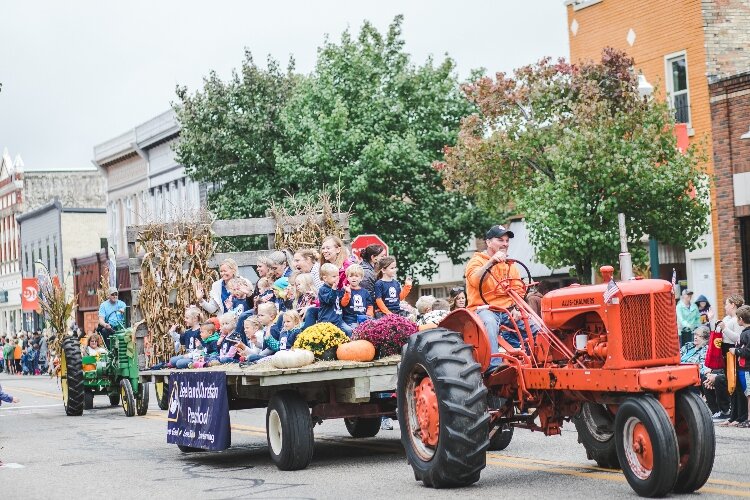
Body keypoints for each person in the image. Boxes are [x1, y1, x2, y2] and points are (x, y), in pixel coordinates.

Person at [465, 225, 528, 371]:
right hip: (484, 309)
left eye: (507, 241)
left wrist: (517, 308)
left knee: (535, 326)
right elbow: (476, 280)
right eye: (500, 240)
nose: (505, 244)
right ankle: (494, 367)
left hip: (508, 311)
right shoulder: (477, 262)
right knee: (489, 323)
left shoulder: (510, 265)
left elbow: (518, 290)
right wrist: (491, 262)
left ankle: (538, 363)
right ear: (488, 242)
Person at [312, 263, 352, 336]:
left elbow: (341, 302)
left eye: (337, 276)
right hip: (327, 320)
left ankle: (348, 347)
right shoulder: (323, 290)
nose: (337, 278)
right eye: (334, 276)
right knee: (329, 338)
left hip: (338, 319)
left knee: (348, 330)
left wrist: (345, 291)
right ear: (325, 278)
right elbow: (330, 301)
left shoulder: (336, 289)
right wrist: (333, 289)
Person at [728, 305, 750, 428]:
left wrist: (736, 351)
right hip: (744, 368)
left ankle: (749, 419)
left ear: (741, 319)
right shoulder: (745, 333)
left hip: (746, 368)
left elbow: (748, 351)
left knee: (749, 394)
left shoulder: (746, 334)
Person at [341, 264, 374, 330]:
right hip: (350, 320)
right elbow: (343, 304)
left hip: (363, 319)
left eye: (356, 276)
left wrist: (369, 315)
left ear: (361, 278)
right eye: (351, 276)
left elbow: (370, 306)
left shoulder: (365, 292)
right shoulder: (345, 290)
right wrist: (348, 293)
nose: (354, 278)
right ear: (347, 278)